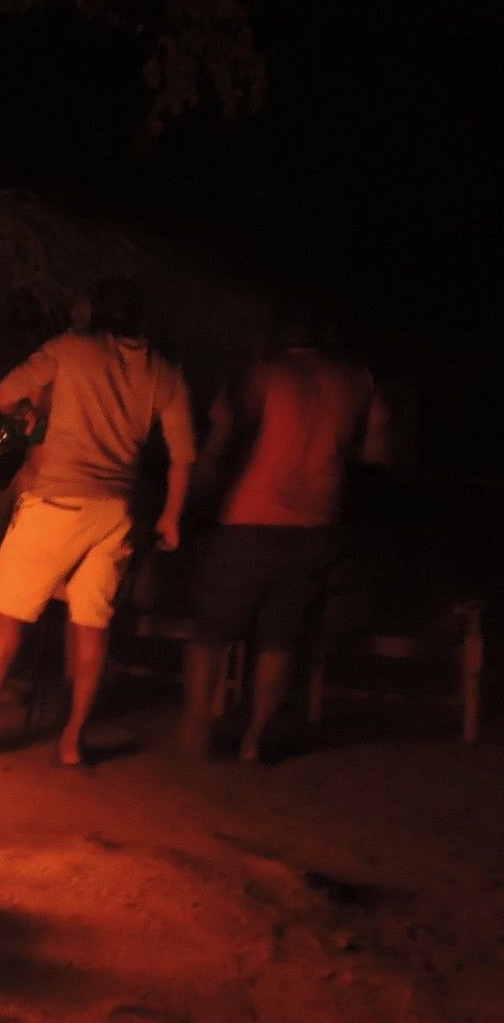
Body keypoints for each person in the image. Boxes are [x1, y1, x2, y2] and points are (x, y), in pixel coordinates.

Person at [0, 278, 195, 765]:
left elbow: (2, 396)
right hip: (115, 513)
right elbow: (183, 454)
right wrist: (172, 516)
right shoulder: (165, 372)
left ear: (95, 313)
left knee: (8, 614)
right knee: (91, 626)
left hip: (57, 502)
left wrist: (34, 411)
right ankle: (73, 739)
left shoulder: (70, 349)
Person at [176, 298, 391, 763]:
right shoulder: (358, 379)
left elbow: (224, 431)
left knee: (211, 631)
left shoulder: (266, 374)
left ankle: (196, 730)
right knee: (279, 639)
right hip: (317, 524)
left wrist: (199, 492)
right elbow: (378, 452)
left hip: (251, 519)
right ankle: (255, 739)